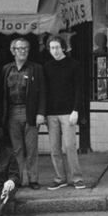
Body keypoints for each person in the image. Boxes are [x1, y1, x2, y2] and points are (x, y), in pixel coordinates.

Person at [1, 37, 46, 189]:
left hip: (30, 112)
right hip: (13, 111)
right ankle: (19, 179)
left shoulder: (36, 68)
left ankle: (33, 179)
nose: (23, 51)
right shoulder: (6, 69)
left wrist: (41, 113)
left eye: (26, 48)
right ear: (13, 51)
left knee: (32, 148)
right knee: (17, 148)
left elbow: (43, 93)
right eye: (19, 49)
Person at [43, 35, 86, 190]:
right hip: (51, 113)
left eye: (57, 47)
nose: (55, 51)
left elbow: (79, 90)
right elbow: (44, 92)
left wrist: (76, 110)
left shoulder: (74, 65)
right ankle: (60, 178)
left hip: (68, 112)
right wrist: (43, 113)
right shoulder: (46, 67)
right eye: (52, 48)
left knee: (69, 146)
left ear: (63, 48)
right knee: (54, 148)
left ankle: (77, 178)